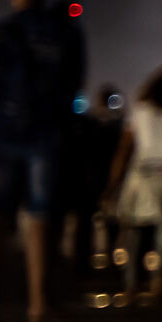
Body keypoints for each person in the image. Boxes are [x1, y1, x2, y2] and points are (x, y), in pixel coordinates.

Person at [0, 0, 88, 322]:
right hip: (48, 132)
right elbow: (75, 83)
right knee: (40, 217)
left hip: (1, 132)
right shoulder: (66, 34)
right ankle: (38, 302)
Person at [105, 63, 162, 304]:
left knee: (135, 231)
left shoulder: (140, 111)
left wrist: (113, 184)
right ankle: (160, 282)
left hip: (142, 172)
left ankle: (132, 284)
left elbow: (125, 150)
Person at [58, 82, 124, 282]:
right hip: (100, 179)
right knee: (106, 223)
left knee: (86, 224)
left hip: (87, 180)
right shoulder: (116, 125)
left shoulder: (88, 123)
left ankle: (81, 264)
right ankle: (106, 261)